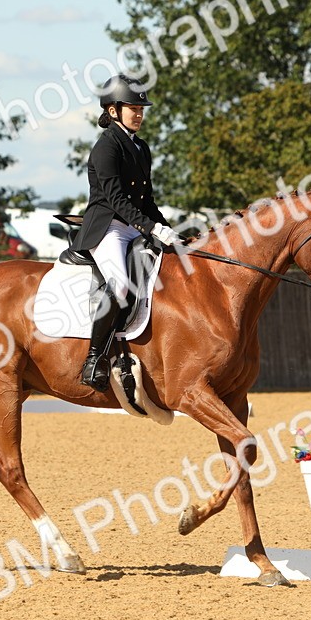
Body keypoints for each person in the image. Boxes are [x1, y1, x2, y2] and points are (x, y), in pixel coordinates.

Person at [70, 73, 181, 390]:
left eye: (141, 109)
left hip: (134, 227)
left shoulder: (141, 147)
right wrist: (151, 228)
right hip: (108, 228)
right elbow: (117, 200)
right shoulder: (106, 147)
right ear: (113, 110)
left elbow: (147, 201)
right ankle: (94, 358)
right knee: (119, 286)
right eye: (133, 108)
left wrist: (169, 231)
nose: (139, 114)